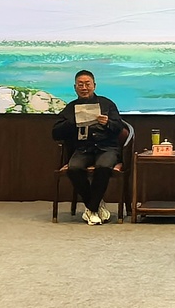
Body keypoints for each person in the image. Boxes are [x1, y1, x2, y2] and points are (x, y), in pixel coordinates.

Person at [50, 70, 126, 225]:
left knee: (103, 166)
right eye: (80, 84)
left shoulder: (107, 104)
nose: (84, 88)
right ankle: (96, 205)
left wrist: (107, 123)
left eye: (87, 84)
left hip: (106, 148)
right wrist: (72, 122)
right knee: (74, 168)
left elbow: (119, 127)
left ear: (94, 86)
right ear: (75, 87)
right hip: (82, 148)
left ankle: (91, 208)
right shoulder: (70, 108)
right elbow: (55, 133)